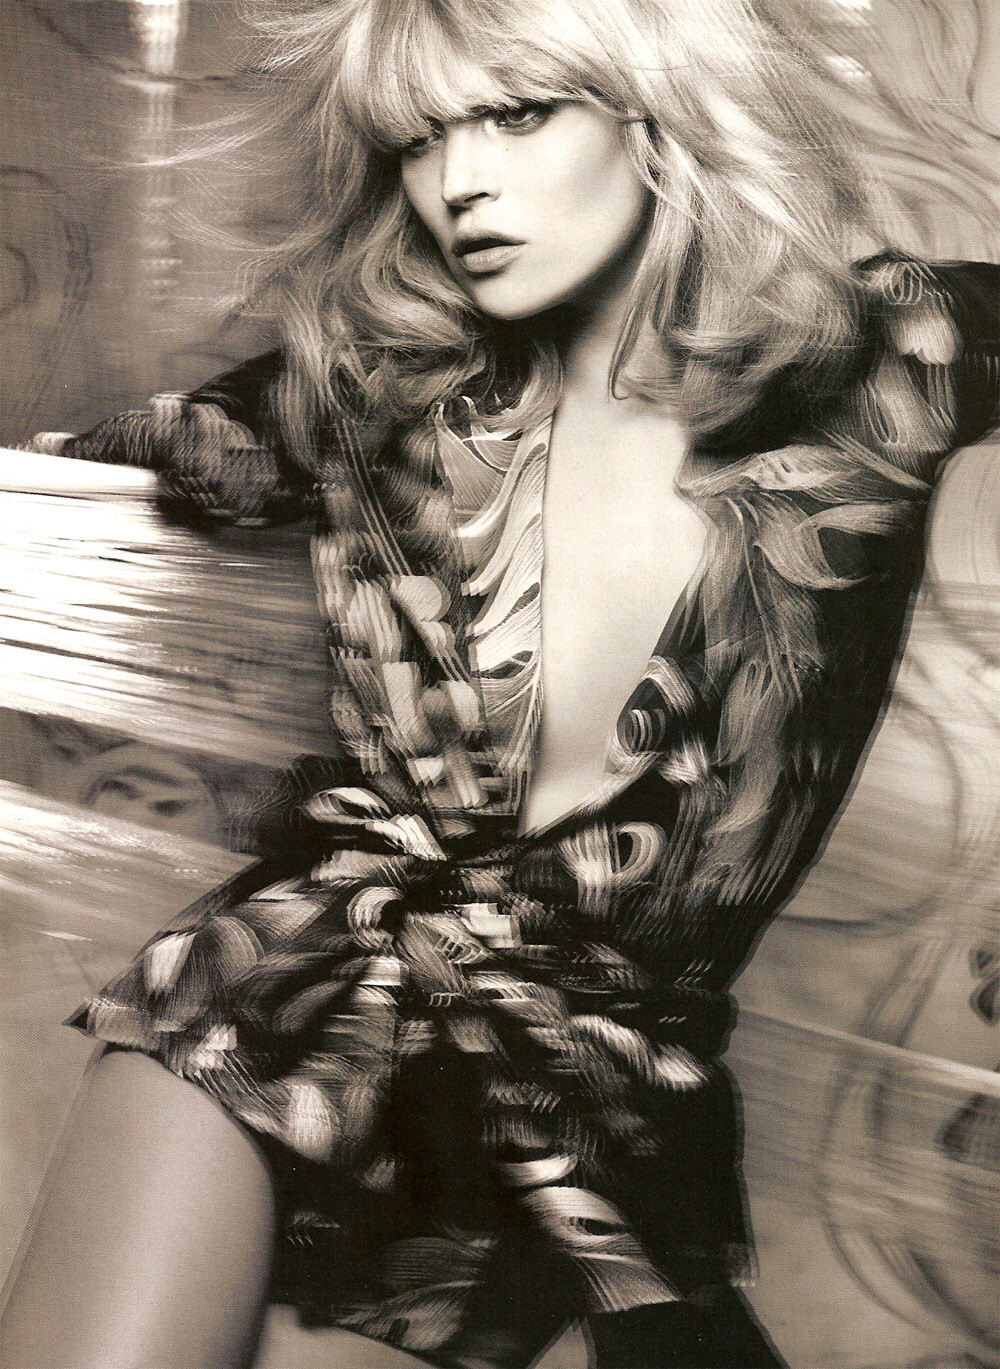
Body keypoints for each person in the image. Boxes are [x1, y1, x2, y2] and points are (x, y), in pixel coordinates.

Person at [1, 0, 997, 1366]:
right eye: (419, 139)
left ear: (654, 110)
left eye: (517, 116)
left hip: (600, 1120)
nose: (461, 179)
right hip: (293, 1017)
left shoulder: (879, 359)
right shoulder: (366, 391)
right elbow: (62, 492)